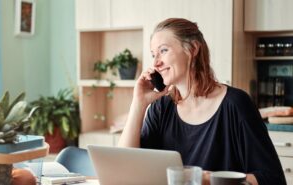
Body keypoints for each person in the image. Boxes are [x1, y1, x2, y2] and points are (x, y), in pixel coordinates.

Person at [118, 18, 286, 185]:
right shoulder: (161, 108)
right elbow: (123, 169)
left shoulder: (236, 104)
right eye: (154, 55)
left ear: (192, 49)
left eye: (163, 51)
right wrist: (138, 103)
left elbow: (273, 179)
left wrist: (208, 179)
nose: (156, 63)